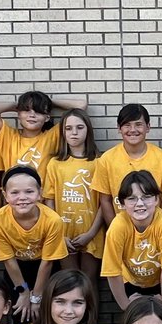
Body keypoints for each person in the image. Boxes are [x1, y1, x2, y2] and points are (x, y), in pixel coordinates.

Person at [0, 165, 68, 324]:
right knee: (22, 313)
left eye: (29, 192)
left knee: (45, 313)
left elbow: (47, 262)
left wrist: (36, 297)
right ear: (4, 195)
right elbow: (8, 261)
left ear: (40, 193)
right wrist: (23, 292)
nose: (22, 197)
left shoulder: (52, 220)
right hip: (17, 269)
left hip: (45, 267)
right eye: (15, 193)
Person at [101, 171, 162, 310]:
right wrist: (126, 307)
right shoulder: (118, 226)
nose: (140, 204)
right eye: (132, 199)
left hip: (160, 280)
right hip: (130, 280)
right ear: (122, 204)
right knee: (134, 322)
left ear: (157, 200)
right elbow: (112, 272)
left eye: (146, 197)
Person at [92, 103, 162, 229]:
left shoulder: (161, 157)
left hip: (154, 231)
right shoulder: (107, 159)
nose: (133, 130)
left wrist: (157, 227)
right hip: (122, 231)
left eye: (138, 125)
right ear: (119, 128)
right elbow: (105, 200)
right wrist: (116, 229)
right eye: (127, 125)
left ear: (148, 127)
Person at [42, 109, 104, 287]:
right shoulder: (55, 163)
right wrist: (59, 234)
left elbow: (103, 203)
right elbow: (49, 199)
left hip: (92, 232)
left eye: (79, 127)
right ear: (62, 132)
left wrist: (91, 233)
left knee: (88, 283)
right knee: (70, 283)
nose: (74, 133)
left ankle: (92, 316)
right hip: (64, 233)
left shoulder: (99, 162)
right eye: (68, 128)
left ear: (88, 131)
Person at [0, 90, 87, 175]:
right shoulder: (7, 137)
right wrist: (17, 105)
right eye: (27, 110)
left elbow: (81, 106)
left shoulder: (52, 136)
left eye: (38, 111)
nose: (32, 115)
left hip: (43, 199)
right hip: (16, 199)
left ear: (47, 118)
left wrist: (48, 102)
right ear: (18, 114)